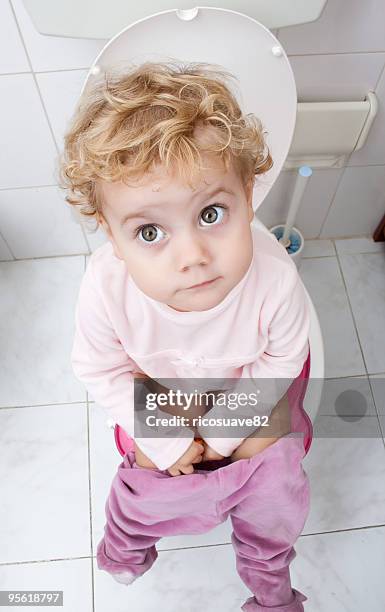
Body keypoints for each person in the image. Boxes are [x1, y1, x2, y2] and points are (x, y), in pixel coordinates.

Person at [59, 61, 311, 611]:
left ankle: (268, 576)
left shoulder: (273, 278)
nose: (192, 257)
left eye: (213, 212)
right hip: (158, 383)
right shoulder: (105, 286)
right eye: (150, 231)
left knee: (275, 471)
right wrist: (171, 437)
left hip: (253, 375)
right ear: (111, 232)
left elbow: (285, 355)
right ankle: (127, 546)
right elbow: (101, 369)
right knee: (150, 472)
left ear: (248, 192)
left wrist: (220, 437)